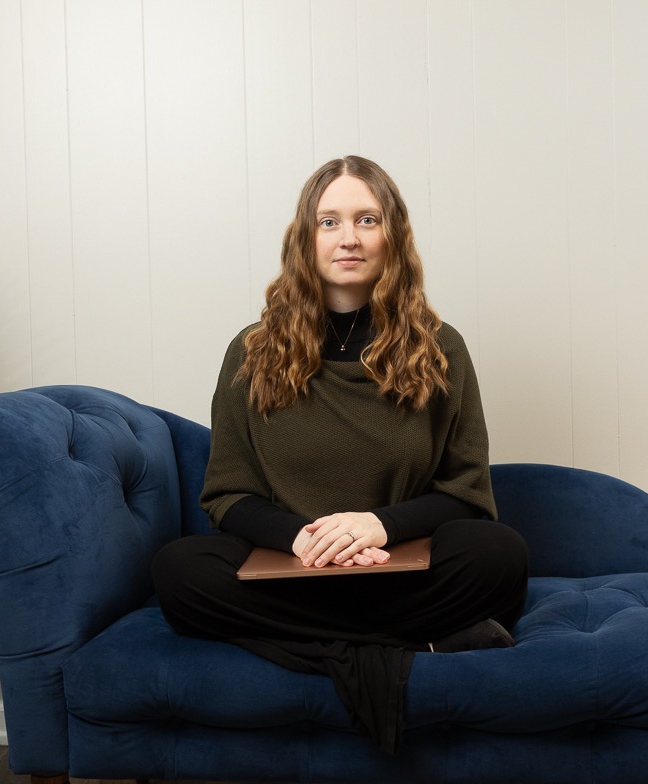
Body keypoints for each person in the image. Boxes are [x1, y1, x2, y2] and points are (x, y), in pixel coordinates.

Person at [152, 155, 528, 753]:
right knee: (178, 572)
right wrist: (302, 538)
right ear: (305, 239)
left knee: (500, 555)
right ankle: (411, 650)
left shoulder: (440, 348)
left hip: (397, 573)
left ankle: (319, 649)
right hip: (295, 574)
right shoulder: (251, 351)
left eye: (366, 219)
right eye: (329, 221)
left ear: (393, 236)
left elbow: (467, 494)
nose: (348, 237)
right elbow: (227, 493)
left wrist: (379, 525)